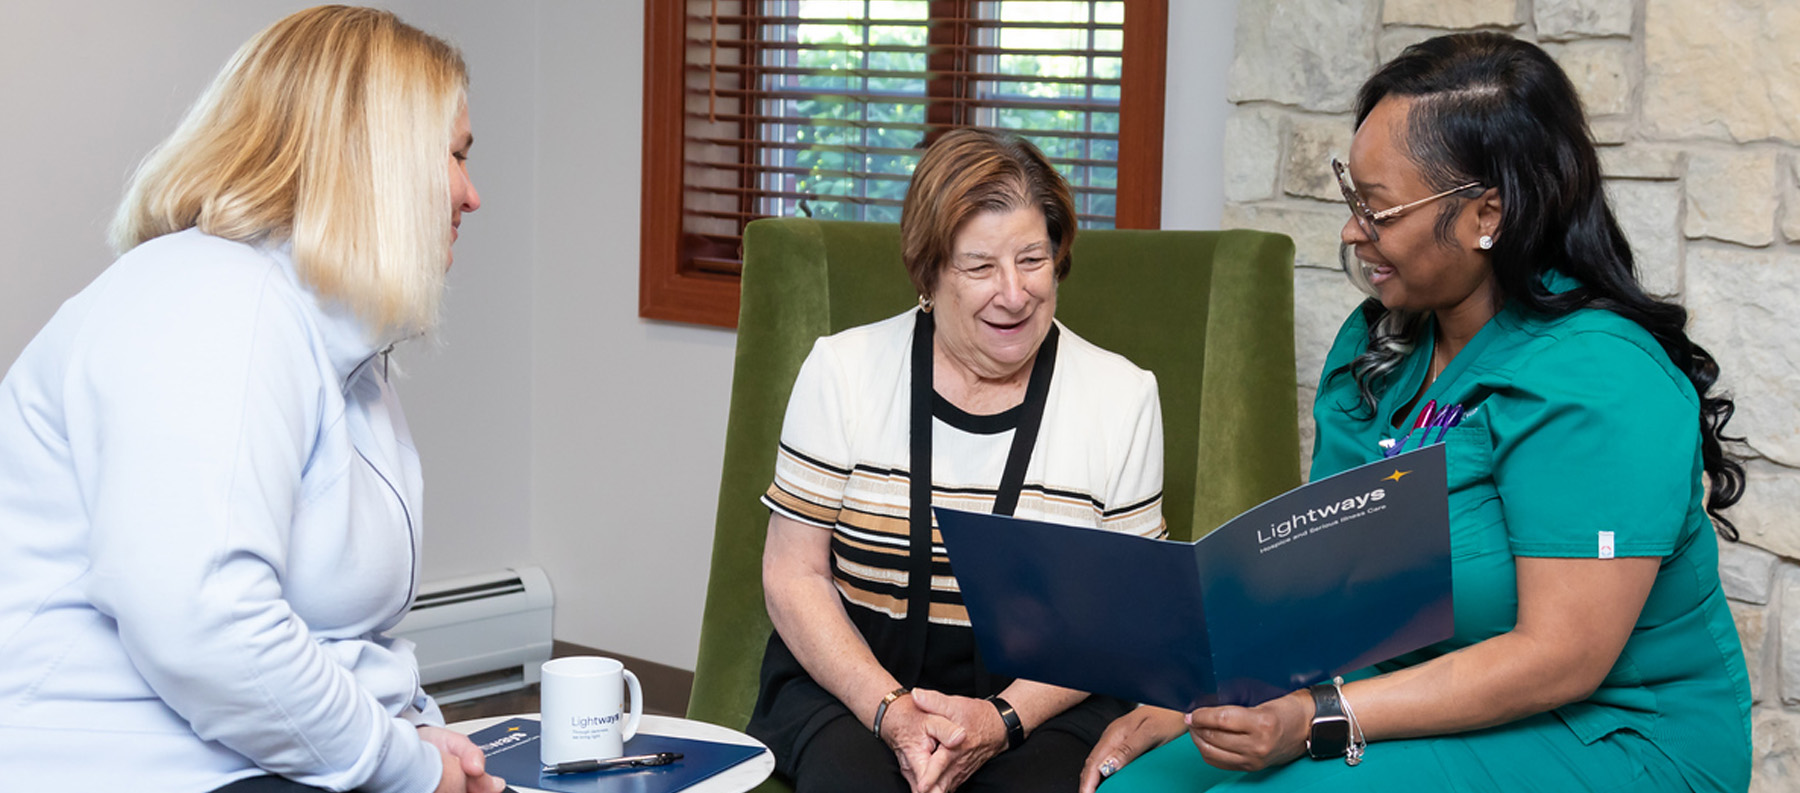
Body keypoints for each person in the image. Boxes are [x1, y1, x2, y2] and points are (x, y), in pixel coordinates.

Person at [1079, 32, 1752, 793]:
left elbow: (1564, 657)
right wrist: (1201, 696)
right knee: (1139, 785)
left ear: (1485, 214)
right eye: (1352, 199)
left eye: (1380, 210)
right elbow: (1324, 585)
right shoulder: (1378, 345)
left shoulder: (1599, 378)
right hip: (1393, 684)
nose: (1351, 231)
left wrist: (1315, 715)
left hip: (1613, 731)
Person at [0, 7, 499, 793]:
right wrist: (405, 765)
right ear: (376, 160)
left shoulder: (340, 342)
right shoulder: (210, 302)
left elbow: (337, 630)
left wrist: (417, 731)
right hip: (128, 767)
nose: (472, 196)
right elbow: (207, 625)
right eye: (455, 157)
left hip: (243, 760)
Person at [748, 128, 1167, 793]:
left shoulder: (1122, 396)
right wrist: (891, 711)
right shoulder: (844, 371)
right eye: (980, 267)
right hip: (855, 687)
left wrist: (1001, 718)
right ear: (930, 271)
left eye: (1032, 258)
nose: (1014, 292)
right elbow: (791, 572)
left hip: (1042, 702)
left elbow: (1119, 617)